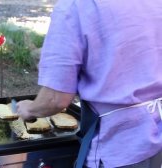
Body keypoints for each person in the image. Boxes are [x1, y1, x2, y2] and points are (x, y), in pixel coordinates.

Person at [16, 0, 162, 167]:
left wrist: (30, 108)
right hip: (156, 138)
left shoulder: (75, 6)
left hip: (115, 149)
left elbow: (55, 99)